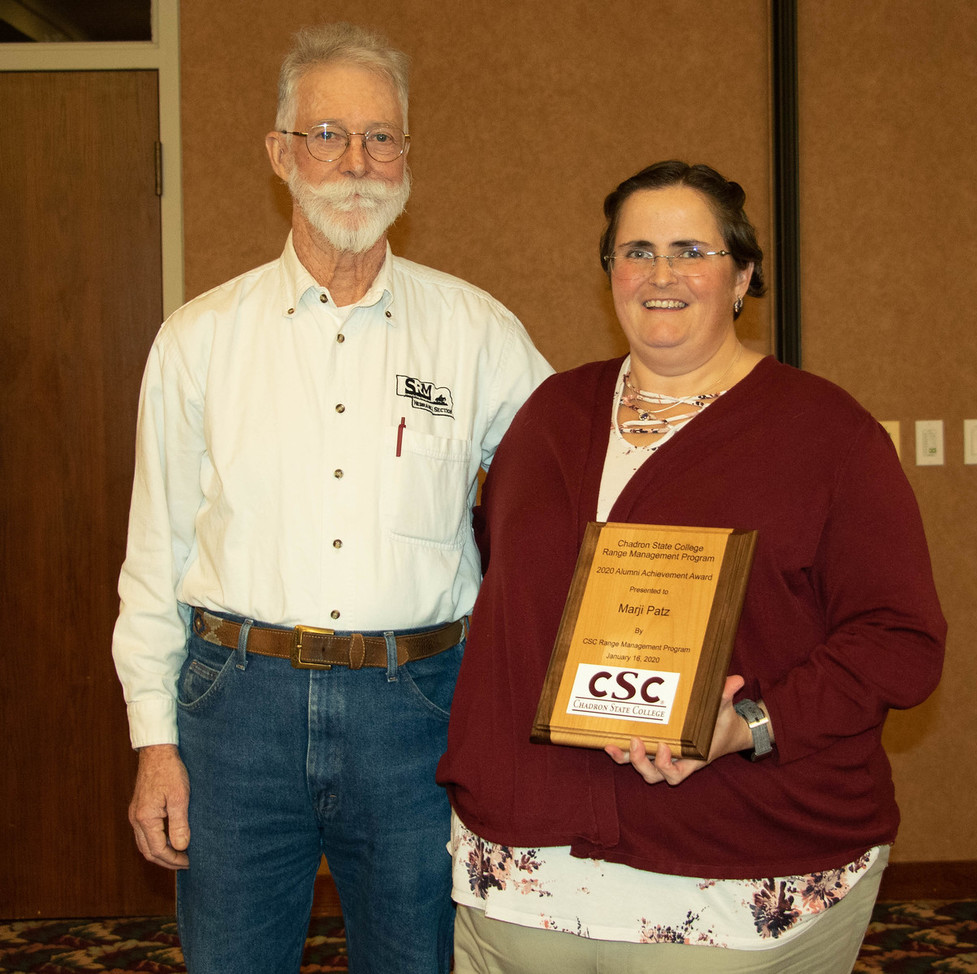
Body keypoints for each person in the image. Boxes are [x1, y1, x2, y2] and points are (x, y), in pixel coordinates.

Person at [111, 22, 551, 974]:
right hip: (235, 712)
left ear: (407, 155)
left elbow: (564, 502)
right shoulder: (198, 340)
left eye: (382, 136)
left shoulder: (478, 333)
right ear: (280, 153)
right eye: (327, 134)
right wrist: (156, 741)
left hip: (419, 710)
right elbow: (154, 557)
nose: (358, 161)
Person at [436, 160, 946, 973]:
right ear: (610, 274)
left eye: (691, 251)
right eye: (636, 250)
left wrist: (749, 726)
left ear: (741, 274)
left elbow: (900, 640)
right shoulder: (548, 418)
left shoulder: (829, 435)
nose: (661, 274)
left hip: (735, 862)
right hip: (529, 865)